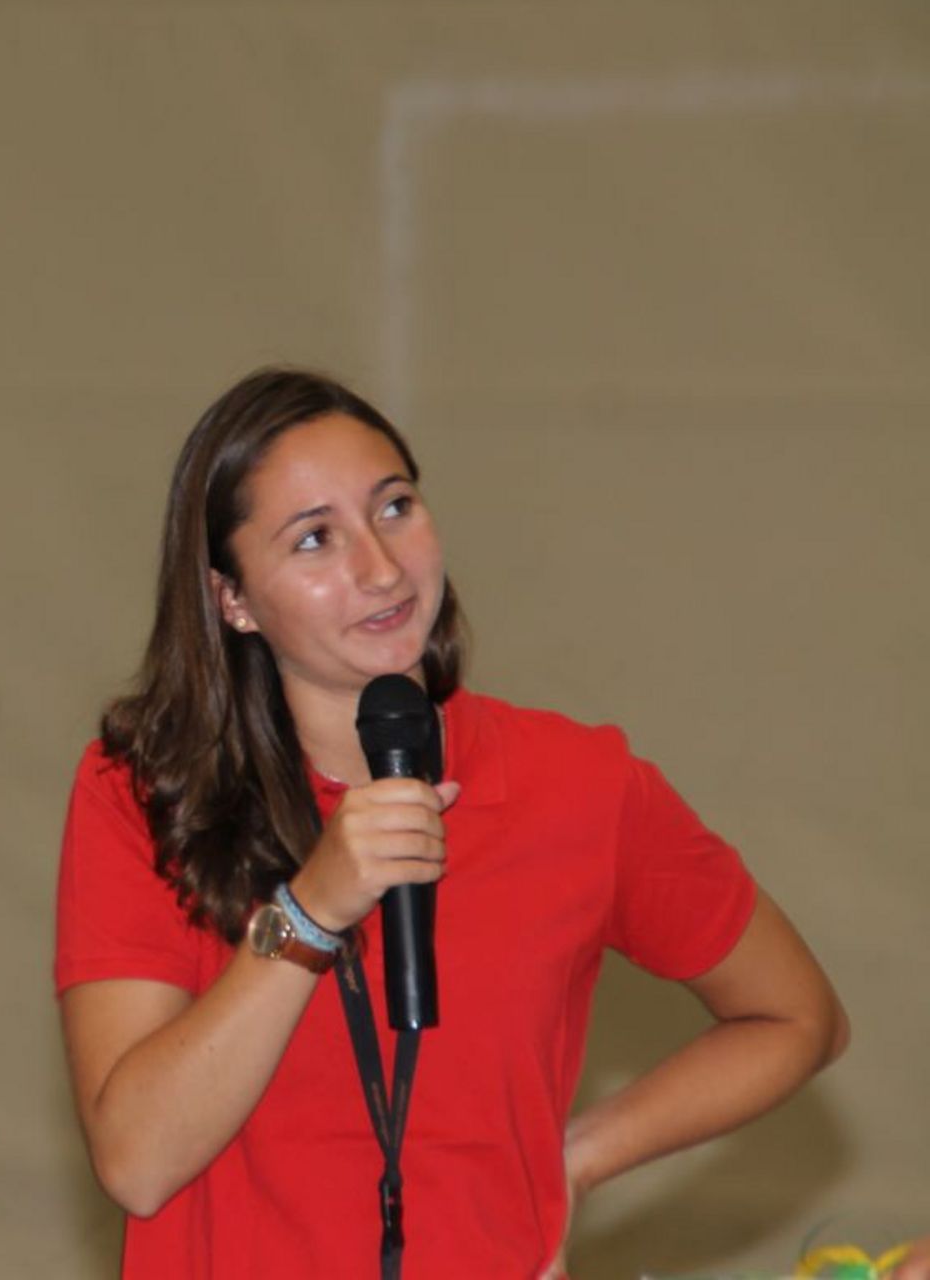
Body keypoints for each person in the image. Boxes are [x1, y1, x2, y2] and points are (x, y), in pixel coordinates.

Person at [54, 369, 848, 1279]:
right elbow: (138, 1162)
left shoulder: (578, 783)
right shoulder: (147, 791)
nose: (381, 568)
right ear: (231, 597)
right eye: (314, 538)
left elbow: (798, 1017)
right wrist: (311, 912)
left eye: (394, 507)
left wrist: (576, 1159)